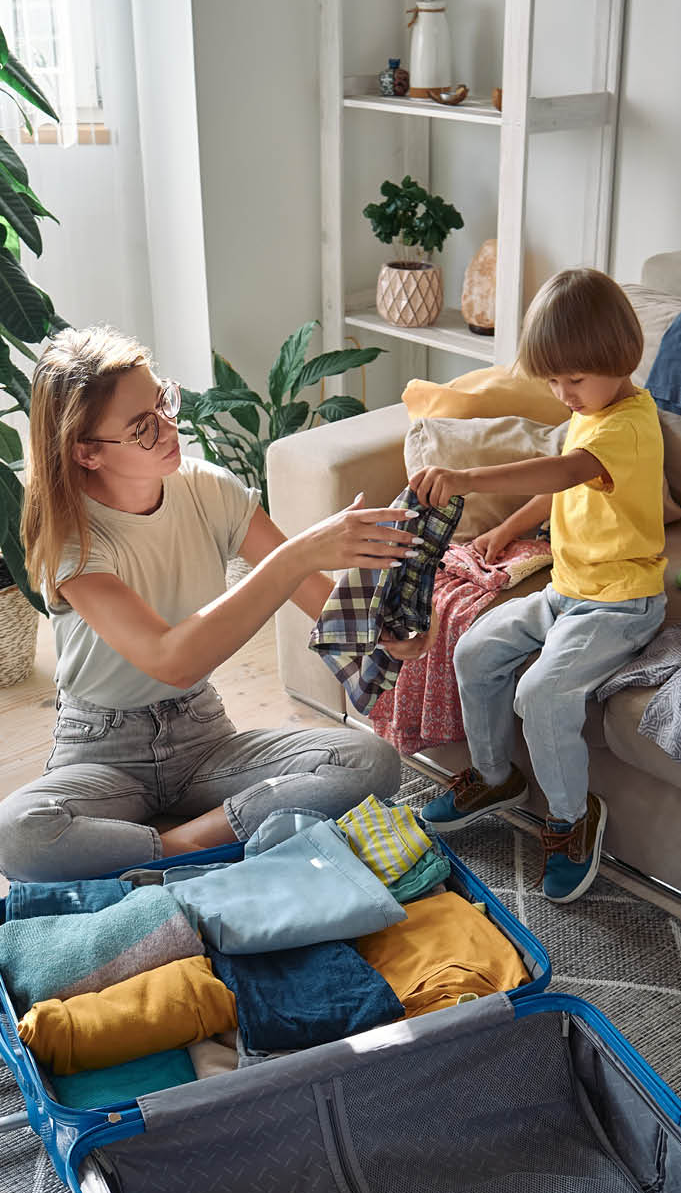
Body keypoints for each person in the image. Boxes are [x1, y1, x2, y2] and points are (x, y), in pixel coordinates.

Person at [0, 325, 431, 884]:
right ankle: (202, 844)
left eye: (164, 402)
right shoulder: (72, 540)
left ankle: (170, 849)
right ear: (86, 453)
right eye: (142, 427)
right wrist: (297, 555)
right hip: (103, 751)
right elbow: (169, 657)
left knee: (370, 762)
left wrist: (391, 630)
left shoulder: (208, 489)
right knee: (20, 833)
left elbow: (323, 607)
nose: (169, 428)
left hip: (201, 734)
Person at [413, 267, 667, 903]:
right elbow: (561, 484)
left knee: (543, 693)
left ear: (619, 357)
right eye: (553, 380)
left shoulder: (630, 427)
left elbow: (564, 466)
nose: (563, 393)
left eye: (573, 379)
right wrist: (509, 530)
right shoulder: (593, 408)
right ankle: (496, 777)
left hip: (618, 606)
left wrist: (469, 478)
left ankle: (572, 820)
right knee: (473, 649)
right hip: (566, 591)